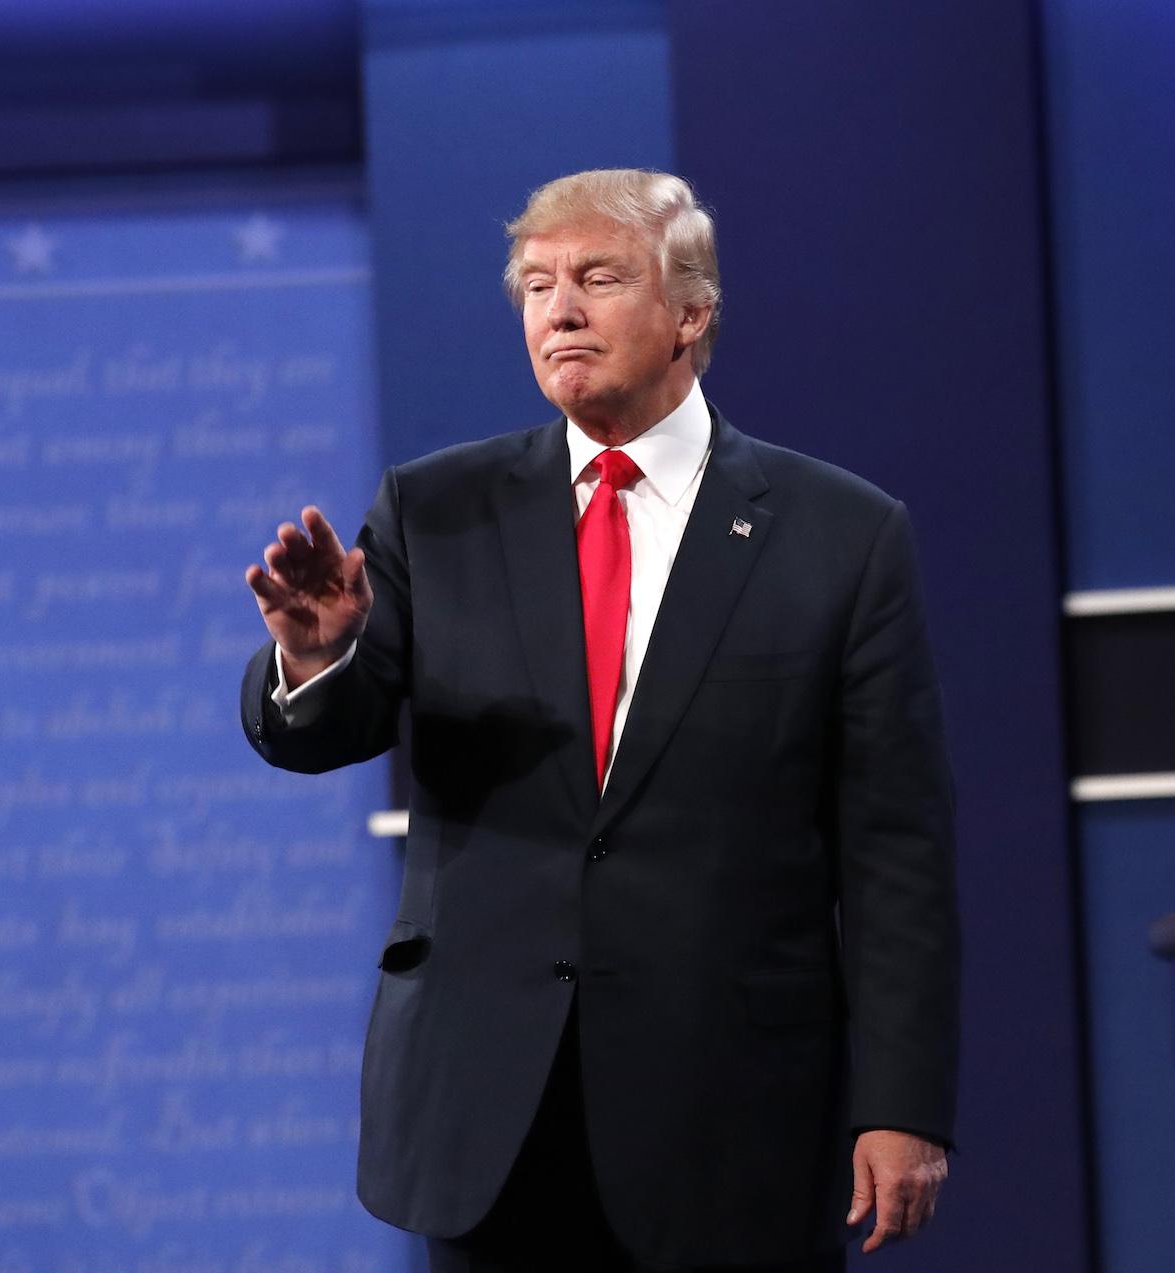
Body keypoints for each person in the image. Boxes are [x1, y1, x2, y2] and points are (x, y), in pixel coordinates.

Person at [241, 170, 958, 1272]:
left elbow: (893, 847)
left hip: (730, 1108)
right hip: (491, 1106)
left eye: (595, 277)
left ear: (689, 313)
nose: (557, 308)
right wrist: (315, 650)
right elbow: (324, 731)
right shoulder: (434, 511)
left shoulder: (839, 536)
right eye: (535, 285)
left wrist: (900, 1101)